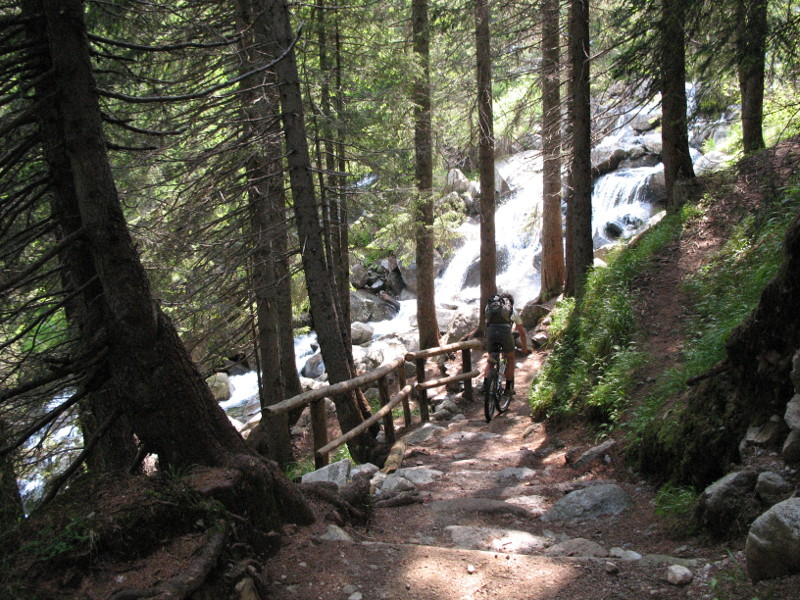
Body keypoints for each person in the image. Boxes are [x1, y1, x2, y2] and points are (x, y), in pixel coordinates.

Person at [482, 292, 530, 396]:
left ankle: (485, 385)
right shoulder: (513, 311)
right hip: (505, 333)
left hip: (491, 332)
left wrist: (487, 340)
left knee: (491, 361)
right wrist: (525, 348)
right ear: (510, 303)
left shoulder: (491, 309)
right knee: (510, 359)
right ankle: (508, 388)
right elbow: (522, 333)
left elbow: (486, 326)